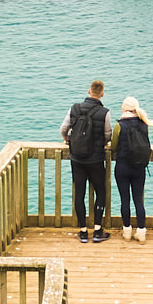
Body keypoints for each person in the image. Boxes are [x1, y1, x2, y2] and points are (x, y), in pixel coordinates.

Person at [60, 79, 111, 243]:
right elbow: (108, 134)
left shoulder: (74, 108)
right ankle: (97, 230)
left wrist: (68, 140)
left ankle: (83, 231)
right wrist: (101, 143)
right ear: (102, 94)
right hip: (95, 159)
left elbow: (63, 129)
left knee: (79, 192)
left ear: (89, 91)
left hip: (77, 158)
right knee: (100, 191)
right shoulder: (104, 112)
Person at [113, 96, 153, 241]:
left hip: (122, 166)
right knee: (138, 200)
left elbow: (114, 146)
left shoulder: (119, 125)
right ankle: (141, 232)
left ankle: (127, 231)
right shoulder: (144, 124)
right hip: (139, 167)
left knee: (125, 200)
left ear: (124, 108)